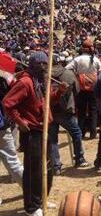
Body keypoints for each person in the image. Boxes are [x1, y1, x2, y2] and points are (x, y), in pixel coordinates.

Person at [3, 51, 68, 216]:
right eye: (40, 64)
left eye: (46, 64)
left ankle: (42, 200)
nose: (44, 67)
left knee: (48, 167)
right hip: (32, 132)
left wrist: (59, 91)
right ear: (33, 65)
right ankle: (31, 207)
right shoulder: (25, 82)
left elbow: (48, 101)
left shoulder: (41, 81)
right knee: (33, 170)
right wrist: (20, 121)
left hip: (45, 129)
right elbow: (8, 103)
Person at [49, 55, 89, 175]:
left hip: (50, 110)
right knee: (76, 134)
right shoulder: (69, 73)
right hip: (66, 110)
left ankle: (56, 166)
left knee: (53, 139)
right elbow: (77, 90)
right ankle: (79, 159)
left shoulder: (44, 75)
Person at [66, 39, 101, 139]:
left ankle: (81, 132)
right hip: (93, 89)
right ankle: (93, 133)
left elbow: (67, 69)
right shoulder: (96, 60)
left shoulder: (77, 59)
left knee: (81, 111)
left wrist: (76, 76)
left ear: (82, 48)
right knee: (93, 111)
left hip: (80, 89)